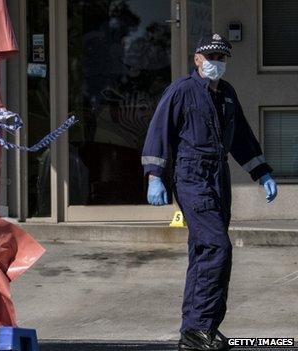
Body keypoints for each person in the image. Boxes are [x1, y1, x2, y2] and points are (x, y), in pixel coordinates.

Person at [141, 33, 278, 351]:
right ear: (197, 59)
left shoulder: (227, 94)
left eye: (221, 57)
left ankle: (201, 329)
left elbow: (241, 136)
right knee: (217, 247)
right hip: (191, 177)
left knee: (205, 252)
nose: (216, 62)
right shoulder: (182, 91)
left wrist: (262, 171)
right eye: (210, 56)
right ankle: (197, 328)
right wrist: (154, 177)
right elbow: (159, 131)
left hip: (218, 177)